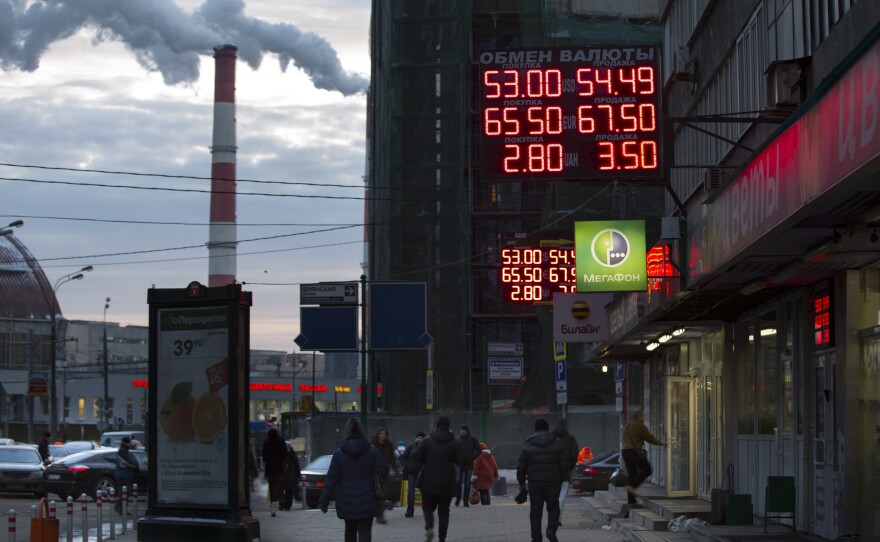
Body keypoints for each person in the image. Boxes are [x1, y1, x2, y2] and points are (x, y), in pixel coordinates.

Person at [319, 418, 388, 542]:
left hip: (346, 500)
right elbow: (384, 469)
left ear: (347, 432)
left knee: (349, 530)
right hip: (368, 499)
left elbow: (331, 478)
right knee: (365, 531)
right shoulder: (372, 451)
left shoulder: (339, 453)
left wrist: (324, 500)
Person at [410, 416, 469, 542]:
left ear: (436, 426)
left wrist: (426, 459)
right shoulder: (454, 442)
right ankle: (442, 538)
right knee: (444, 512)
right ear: (449, 427)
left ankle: (429, 528)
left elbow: (415, 455)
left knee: (427, 507)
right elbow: (462, 459)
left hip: (429, 480)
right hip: (447, 482)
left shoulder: (427, 441)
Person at [517, 418, 571, 542]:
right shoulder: (558, 443)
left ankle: (536, 538)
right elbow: (565, 464)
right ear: (547, 429)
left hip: (535, 484)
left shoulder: (528, 444)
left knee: (535, 511)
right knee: (553, 508)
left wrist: (521, 482)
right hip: (553, 483)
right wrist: (564, 479)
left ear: (535, 429)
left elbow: (521, 466)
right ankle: (551, 530)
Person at [621, 409, 667, 509]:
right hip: (635, 452)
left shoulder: (627, 426)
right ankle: (631, 486)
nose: (644, 417)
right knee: (647, 470)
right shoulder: (640, 425)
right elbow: (649, 438)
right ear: (639, 416)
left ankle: (631, 501)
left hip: (625, 452)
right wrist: (661, 443)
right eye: (643, 416)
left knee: (632, 475)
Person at [552, 418, 579, 525]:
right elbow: (574, 455)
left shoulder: (550, 438)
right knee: (562, 494)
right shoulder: (571, 439)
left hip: (551, 473)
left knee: (552, 495)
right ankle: (557, 518)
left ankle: (552, 516)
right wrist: (569, 468)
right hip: (565, 472)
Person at [370, 427, 398, 524]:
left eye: (384, 433)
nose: (383, 435)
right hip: (374, 472)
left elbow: (392, 459)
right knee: (374, 494)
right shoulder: (373, 445)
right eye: (381, 433)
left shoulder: (388, 445)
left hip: (384, 472)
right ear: (378, 434)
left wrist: (396, 471)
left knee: (382, 494)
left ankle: (380, 515)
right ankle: (375, 511)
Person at [453, 424, 481, 507]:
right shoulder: (456, 440)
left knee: (468, 483)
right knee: (458, 481)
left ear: (467, 431)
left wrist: (472, 457)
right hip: (459, 464)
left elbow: (479, 450)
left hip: (468, 464)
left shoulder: (473, 439)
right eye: (461, 430)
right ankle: (458, 498)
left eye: (464, 430)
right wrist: (455, 459)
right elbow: (452, 451)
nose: (462, 431)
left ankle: (465, 501)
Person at [262, 428, 287, 516]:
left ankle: (273, 505)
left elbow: (264, 457)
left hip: (270, 470)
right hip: (279, 469)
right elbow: (285, 455)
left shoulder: (266, 443)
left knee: (272, 488)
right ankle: (278, 503)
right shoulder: (281, 441)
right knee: (279, 487)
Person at [401, 431, 426, 517]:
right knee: (411, 492)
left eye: (421, 438)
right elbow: (403, 457)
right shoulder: (410, 447)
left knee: (424, 492)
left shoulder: (425, 448)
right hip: (411, 473)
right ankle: (410, 510)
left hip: (421, 474)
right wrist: (407, 465)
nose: (418, 439)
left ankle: (426, 510)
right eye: (418, 437)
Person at [115, 436, 139, 513]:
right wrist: (133, 466)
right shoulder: (123, 450)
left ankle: (122, 508)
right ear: (127, 442)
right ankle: (120, 507)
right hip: (124, 474)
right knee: (126, 492)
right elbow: (124, 462)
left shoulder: (123, 450)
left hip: (124, 474)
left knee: (125, 492)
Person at [281, 440, 302, 510]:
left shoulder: (293, 455)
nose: (287, 449)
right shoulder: (282, 454)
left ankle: (288, 506)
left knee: (289, 491)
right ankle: (283, 504)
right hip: (283, 476)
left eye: (288, 447)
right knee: (282, 491)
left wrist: (298, 475)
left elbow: (297, 466)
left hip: (291, 477)